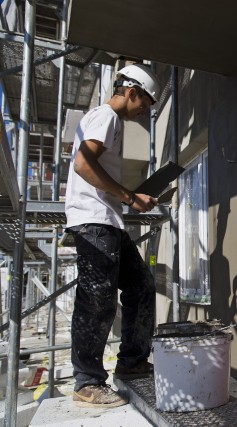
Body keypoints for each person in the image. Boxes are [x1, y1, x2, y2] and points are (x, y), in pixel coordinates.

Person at [65, 63, 160, 408]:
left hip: (108, 220)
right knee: (97, 297)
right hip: (93, 221)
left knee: (140, 286)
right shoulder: (106, 116)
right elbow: (82, 164)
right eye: (146, 105)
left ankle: (133, 362)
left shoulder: (111, 121)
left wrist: (127, 198)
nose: (145, 112)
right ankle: (87, 382)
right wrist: (130, 196)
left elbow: (92, 169)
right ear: (132, 92)